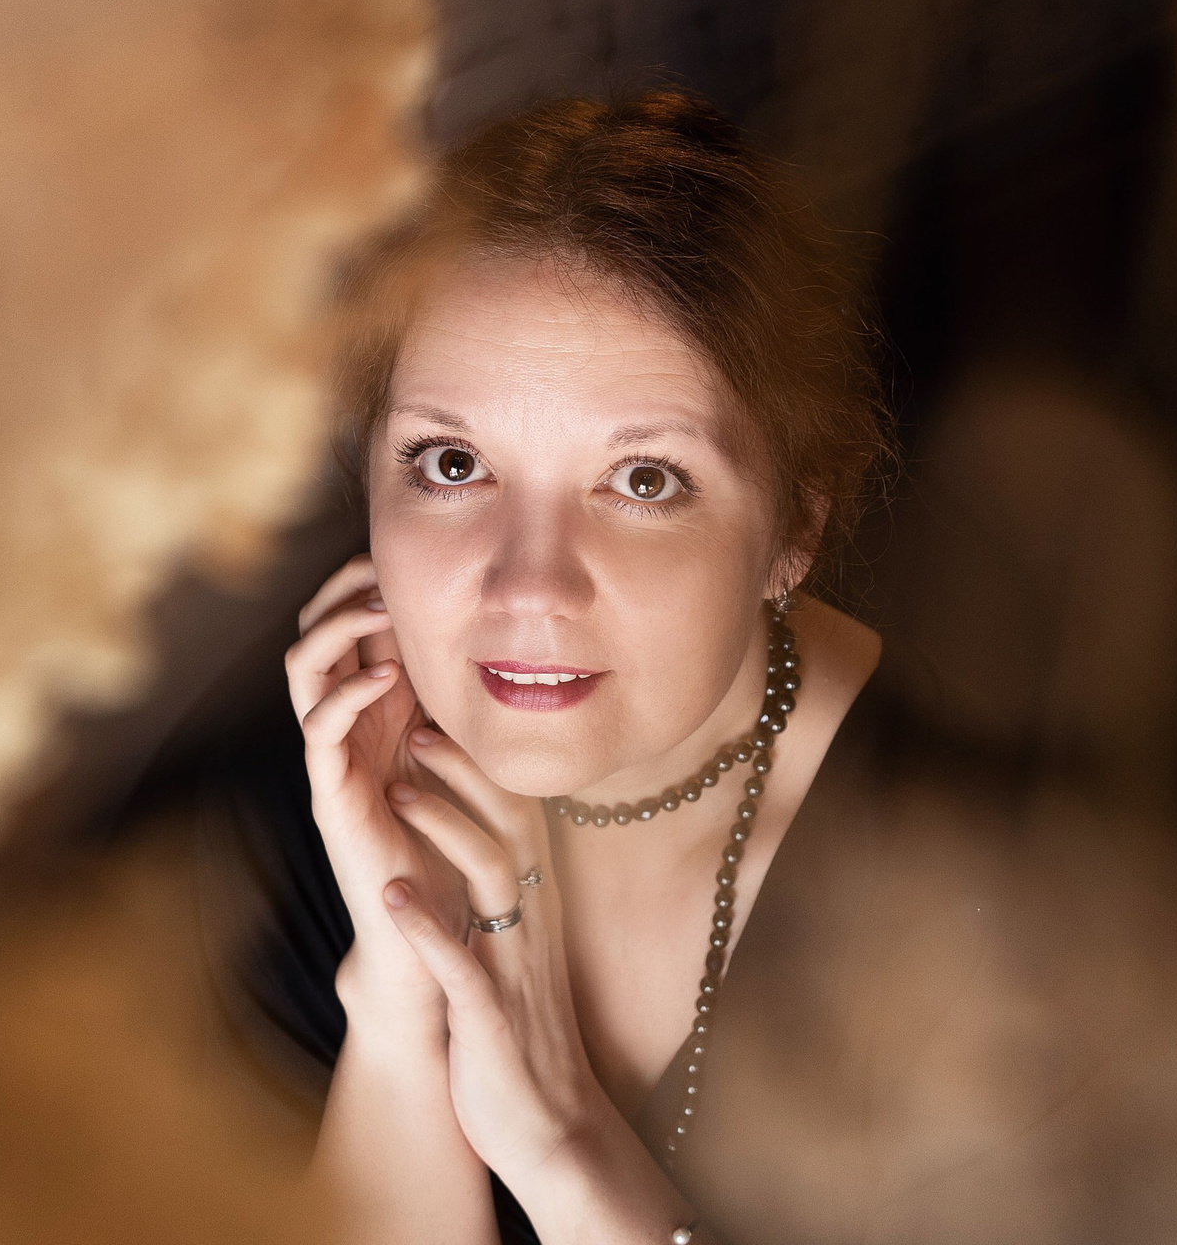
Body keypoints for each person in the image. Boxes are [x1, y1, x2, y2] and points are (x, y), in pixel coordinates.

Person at [199, 89, 888, 1245]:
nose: (527, 587)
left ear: (792, 533)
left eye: (644, 481)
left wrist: (563, 1144)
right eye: (451, 463)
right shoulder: (305, 828)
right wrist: (400, 1004)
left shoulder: (979, 886)